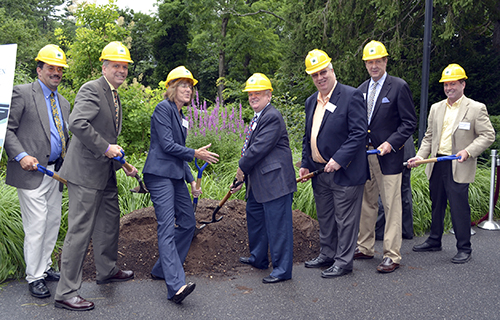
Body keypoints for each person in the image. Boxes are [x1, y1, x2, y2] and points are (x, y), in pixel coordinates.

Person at [54, 41, 139, 311]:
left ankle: (106, 269)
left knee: (108, 223)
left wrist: (120, 160)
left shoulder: (114, 94)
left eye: (124, 67)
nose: (122, 71)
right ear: (104, 67)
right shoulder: (92, 88)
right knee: (80, 232)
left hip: (105, 172)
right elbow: (77, 123)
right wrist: (105, 147)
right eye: (116, 65)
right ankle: (66, 292)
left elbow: (107, 134)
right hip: (86, 173)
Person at [143, 66, 219, 303]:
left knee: (187, 223)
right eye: (183, 85)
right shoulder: (162, 109)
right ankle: (176, 286)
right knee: (166, 226)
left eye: (190, 86)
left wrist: (191, 181)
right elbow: (166, 146)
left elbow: (179, 155)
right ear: (172, 88)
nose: (188, 89)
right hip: (158, 175)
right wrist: (194, 153)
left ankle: (160, 269)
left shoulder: (182, 116)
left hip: (175, 176)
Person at [408, 63, 495, 264]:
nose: (449, 88)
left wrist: (469, 151)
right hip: (437, 162)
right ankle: (434, 240)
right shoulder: (436, 108)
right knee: (436, 204)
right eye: (446, 85)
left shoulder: (475, 108)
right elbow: (429, 137)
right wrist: (421, 157)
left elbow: (488, 135)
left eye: (453, 84)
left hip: (458, 163)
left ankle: (464, 247)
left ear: (463, 84)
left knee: (459, 208)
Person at [4, 44, 70, 298]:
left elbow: (64, 138)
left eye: (60, 69)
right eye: (51, 68)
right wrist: (20, 156)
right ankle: (34, 277)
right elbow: (7, 129)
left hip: (54, 172)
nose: (56, 73)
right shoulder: (21, 93)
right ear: (39, 69)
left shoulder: (63, 102)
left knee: (52, 221)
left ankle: (45, 267)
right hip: (30, 172)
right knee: (37, 224)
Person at [300, 49, 368, 278]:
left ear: (332, 70)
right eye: (314, 75)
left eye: (323, 72)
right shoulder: (311, 101)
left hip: (346, 172)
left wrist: (339, 159)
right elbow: (307, 135)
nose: (319, 78)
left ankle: (344, 262)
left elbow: (359, 134)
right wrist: (305, 163)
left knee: (345, 220)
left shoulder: (351, 96)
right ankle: (327, 254)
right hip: (320, 173)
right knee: (326, 217)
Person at [355, 40, 417, 273]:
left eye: (378, 61)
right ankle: (365, 246)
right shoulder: (360, 90)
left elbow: (409, 122)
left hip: (389, 157)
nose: (374, 66)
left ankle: (392, 255)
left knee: (391, 205)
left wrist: (391, 143)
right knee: (366, 203)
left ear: (385, 61)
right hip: (366, 156)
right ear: (365, 64)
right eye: (370, 62)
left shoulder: (398, 86)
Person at [232, 73, 296, 284]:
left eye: (258, 93)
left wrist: (241, 169)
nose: (253, 97)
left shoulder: (271, 116)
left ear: (269, 95)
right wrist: (243, 175)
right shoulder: (258, 116)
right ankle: (258, 258)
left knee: (278, 227)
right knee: (256, 219)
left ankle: (282, 269)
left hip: (275, 182)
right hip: (259, 183)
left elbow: (258, 149)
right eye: (250, 94)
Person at [375, 136, 416, 240]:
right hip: (405, 148)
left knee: (387, 191)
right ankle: (406, 230)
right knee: (404, 190)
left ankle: (380, 231)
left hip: (392, 148)